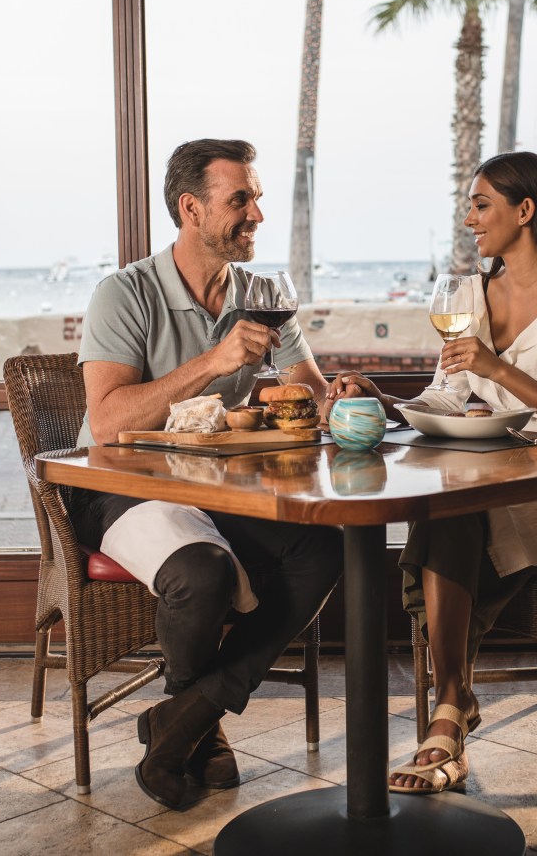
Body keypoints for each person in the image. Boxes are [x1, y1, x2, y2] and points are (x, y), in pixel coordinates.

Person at [327, 151, 537, 794]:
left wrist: (498, 371)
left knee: (454, 506)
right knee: (454, 503)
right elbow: (446, 395)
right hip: (494, 480)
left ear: (526, 211)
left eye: (480, 204)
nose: (469, 218)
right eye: (469, 205)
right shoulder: (468, 294)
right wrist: (384, 400)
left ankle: (450, 709)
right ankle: (451, 703)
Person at [71, 138, 342, 812]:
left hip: (220, 489)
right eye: (239, 199)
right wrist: (214, 361)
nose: (255, 214)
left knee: (322, 547)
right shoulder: (124, 293)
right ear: (190, 208)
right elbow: (106, 422)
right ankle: (201, 728)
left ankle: (184, 716)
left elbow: (306, 393)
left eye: (255, 198)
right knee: (202, 574)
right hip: (122, 488)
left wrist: (336, 394)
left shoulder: (263, 293)